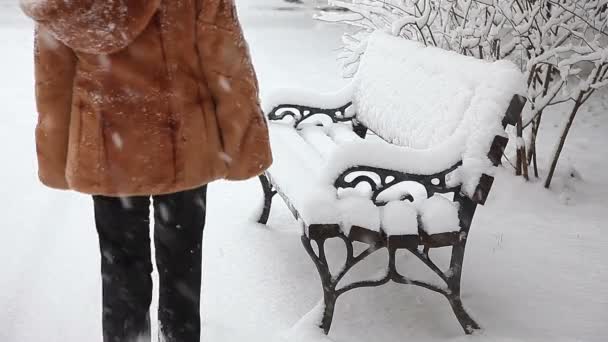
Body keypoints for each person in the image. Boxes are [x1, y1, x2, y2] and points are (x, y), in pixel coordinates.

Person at [20, 1, 273, 341]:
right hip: (183, 143)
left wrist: (56, 153)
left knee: (121, 268)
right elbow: (225, 58)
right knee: (182, 265)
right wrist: (242, 139)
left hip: (108, 148)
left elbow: (53, 76)